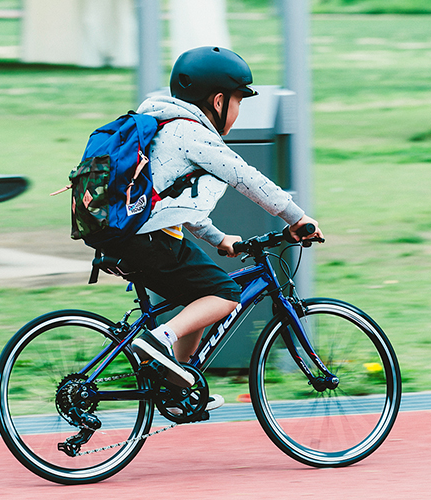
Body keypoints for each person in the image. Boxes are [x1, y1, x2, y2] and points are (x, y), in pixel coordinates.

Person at [100, 46, 322, 411]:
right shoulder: (191, 134)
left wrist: (218, 239)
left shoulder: (163, 127)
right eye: (238, 101)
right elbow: (246, 178)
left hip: (127, 237)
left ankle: (178, 387)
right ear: (218, 101)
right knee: (225, 292)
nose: (237, 110)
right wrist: (297, 218)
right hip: (149, 240)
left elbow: (172, 201)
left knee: (201, 294)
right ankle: (160, 342)